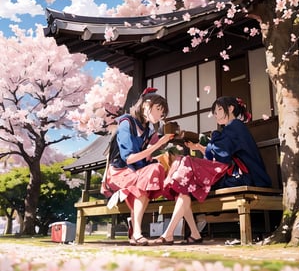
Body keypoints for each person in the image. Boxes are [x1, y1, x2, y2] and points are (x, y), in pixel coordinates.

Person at [151, 96, 271, 245]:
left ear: (231, 109)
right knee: (185, 181)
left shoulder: (236, 126)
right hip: (232, 173)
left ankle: (170, 233)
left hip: (244, 176)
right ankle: (191, 233)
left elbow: (223, 155)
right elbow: (220, 152)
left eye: (219, 109)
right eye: (214, 112)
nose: (216, 114)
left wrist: (204, 147)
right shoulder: (231, 128)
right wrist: (199, 148)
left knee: (186, 166)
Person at [105, 87, 175, 246]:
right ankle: (136, 232)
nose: (160, 115)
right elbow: (129, 159)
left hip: (136, 172)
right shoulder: (126, 123)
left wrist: (158, 150)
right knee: (144, 180)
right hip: (119, 172)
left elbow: (146, 158)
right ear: (146, 104)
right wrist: (156, 146)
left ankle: (135, 230)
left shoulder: (149, 131)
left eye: (162, 112)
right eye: (158, 109)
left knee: (155, 169)